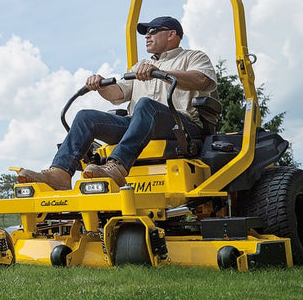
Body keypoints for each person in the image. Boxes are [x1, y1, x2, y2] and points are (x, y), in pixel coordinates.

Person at [17, 16, 217, 189]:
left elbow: (202, 80)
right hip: (139, 124)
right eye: (145, 33)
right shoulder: (140, 66)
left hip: (180, 125)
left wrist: (162, 74)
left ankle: (117, 167)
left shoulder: (193, 57)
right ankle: (60, 173)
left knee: (146, 106)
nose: (147, 36)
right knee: (86, 117)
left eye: (152, 31)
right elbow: (118, 93)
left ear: (172, 34)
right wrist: (100, 84)